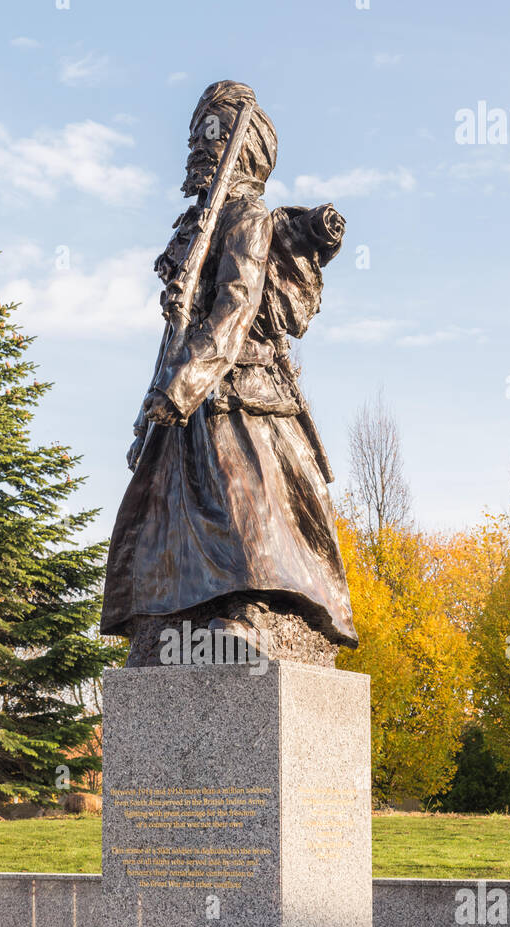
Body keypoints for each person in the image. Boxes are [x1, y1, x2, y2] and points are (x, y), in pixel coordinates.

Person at [100, 79, 359, 666]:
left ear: (242, 148)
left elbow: (236, 307)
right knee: (165, 522)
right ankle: (171, 623)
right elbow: (174, 333)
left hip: (235, 392)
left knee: (239, 511)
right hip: (188, 393)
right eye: (195, 134)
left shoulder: (246, 213)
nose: (198, 144)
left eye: (211, 133)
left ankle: (246, 613)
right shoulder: (192, 226)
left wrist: (185, 384)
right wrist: (156, 400)